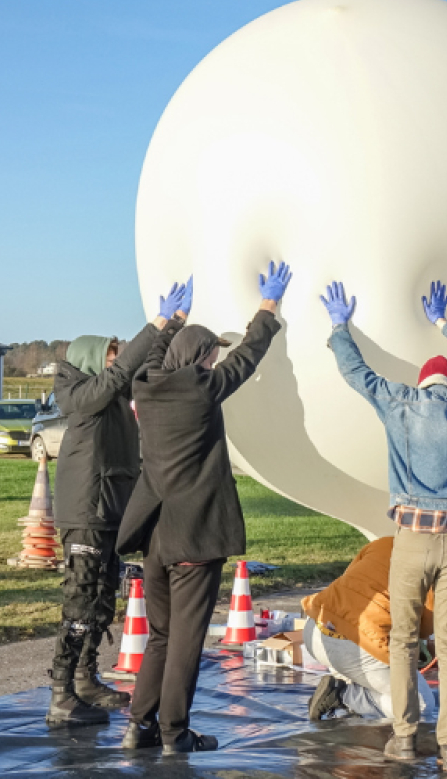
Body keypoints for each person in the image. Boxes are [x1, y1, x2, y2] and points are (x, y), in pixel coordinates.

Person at [116, 261, 291, 754]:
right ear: (198, 362)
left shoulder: (146, 388)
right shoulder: (200, 390)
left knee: (160, 637)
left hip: (155, 539)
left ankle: (140, 726)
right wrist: (269, 305)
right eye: (211, 360)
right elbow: (248, 358)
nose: (214, 366)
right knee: (185, 644)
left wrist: (169, 320)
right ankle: (174, 733)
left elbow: (154, 358)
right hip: (194, 537)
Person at [321, 279, 447, 774]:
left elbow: (357, 374)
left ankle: (402, 737)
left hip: (411, 541)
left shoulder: (399, 403)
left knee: (401, 640)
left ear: (422, 382)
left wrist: (339, 325)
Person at [45, 278, 190, 728]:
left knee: (103, 600)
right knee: (81, 601)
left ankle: (86, 678)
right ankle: (60, 693)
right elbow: (115, 376)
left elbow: (139, 365)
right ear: (93, 362)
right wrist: (157, 321)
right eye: (110, 356)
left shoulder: (111, 397)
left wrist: (172, 328)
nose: (117, 364)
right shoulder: (81, 398)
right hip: (86, 513)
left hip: (110, 510)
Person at [302, 537, 438, 721]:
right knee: (419, 705)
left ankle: (347, 683)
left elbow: (350, 580)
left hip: (315, 627)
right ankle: (342, 695)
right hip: (354, 646)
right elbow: (424, 629)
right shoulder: (436, 568)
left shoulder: (384, 543)